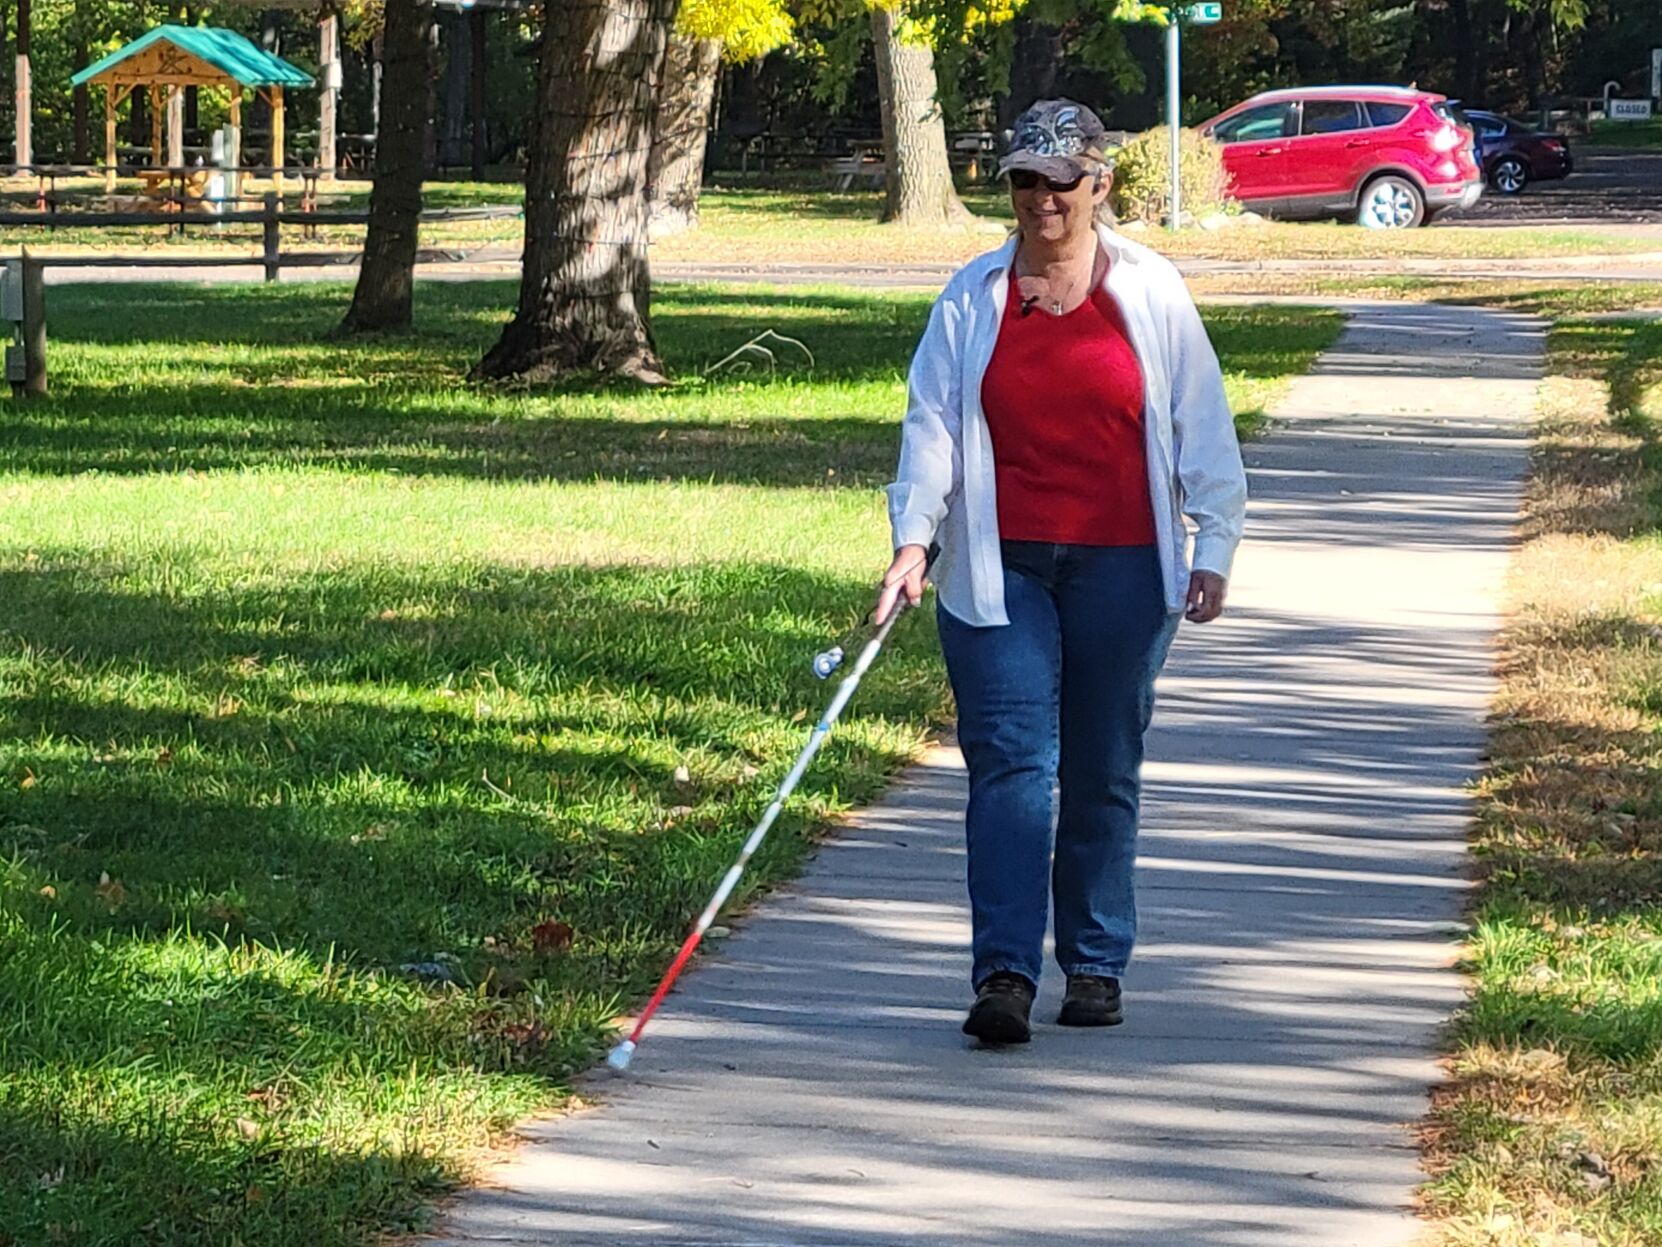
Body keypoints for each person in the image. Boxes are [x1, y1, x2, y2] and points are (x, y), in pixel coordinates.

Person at [875, 99, 1247, 1046]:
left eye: (1061, 182)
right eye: (1024, 182)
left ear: (1100, 186)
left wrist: (1215, 542)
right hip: (999, 568)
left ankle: (1094, 961)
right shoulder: (972, 296)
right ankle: (1003, 971)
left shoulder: (1152, 292)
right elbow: (932, 428)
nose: (1043, 200)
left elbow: (1200, 424)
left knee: (1102, 769)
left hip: (1125, 563)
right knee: (1011, 767)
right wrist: (914, 537)